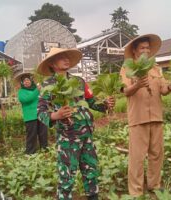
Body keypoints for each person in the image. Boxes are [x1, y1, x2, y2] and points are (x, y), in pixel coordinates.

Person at [36, 48, 115, 200]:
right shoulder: (48, 85)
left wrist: (105, 104)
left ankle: (93, 196)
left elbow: (91, 102)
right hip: (68, 138)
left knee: (91, 170)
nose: (66, 59)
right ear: (52, 63)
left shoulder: (79, 82)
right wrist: (56, 115)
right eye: (61, 58)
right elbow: (40, 113)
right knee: (67, 176)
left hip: (87, 134)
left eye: (67, 57)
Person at [120, 34, 171, 197]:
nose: (146, 50)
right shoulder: (127, 68)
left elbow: (163, 90)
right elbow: (126, 91)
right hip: (138, 118)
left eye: (147, 48)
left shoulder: (156, 68)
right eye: (142, 48)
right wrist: (137, 84)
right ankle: (136, 191)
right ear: (135, 50)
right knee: (137, 157)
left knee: (156, 154)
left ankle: (154, 185)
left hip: (157, 117)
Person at [15, 71, 48, 154]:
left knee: (43, 134)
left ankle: (45, 151)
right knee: (32, 136)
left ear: (31, 81)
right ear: (22, 83)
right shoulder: (21, 91)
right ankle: (30, 153)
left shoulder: (38, 89)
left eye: (28, 80)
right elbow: (26, 100)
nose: (26, 82)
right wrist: (37, 90)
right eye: (24, 81)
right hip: (30, 117)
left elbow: (45, 97)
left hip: (41, 114)